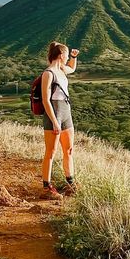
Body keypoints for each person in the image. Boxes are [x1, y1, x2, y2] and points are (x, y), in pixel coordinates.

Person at [40, 41, 79, 200]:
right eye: (67, 54)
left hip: (66, 111)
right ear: (61, 55)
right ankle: (46, 186)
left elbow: (72, 68)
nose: (67, 57)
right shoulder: (48, 73)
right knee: (51, 152)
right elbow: (45, 99)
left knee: (68, 150)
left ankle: (71, 182)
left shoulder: (62, 69)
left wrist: (73, 57)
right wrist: (54, 121)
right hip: (54, 113)